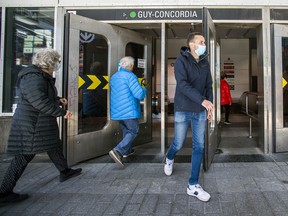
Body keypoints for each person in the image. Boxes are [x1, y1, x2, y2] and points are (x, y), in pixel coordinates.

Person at [0, 48, 82, 205]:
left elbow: (41, 96)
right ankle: (4, 192)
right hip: (32, 124)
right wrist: (61, 112)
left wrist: (57, 99)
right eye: (56, 61)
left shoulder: (40, 76)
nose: (58, 64)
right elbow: (39, 102)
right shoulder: (33, 78)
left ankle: (65, 171)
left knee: (54, 146)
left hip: (40, 122)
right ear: (49, 62)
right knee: (24, 155)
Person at [163, 32, 214, 202]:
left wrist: (210, 105)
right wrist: (202, 101)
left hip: (200, 110)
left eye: (204, 42)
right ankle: (169, 158)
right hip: (183, 109)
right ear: (192, 44)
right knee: (178, 142)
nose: (204, 44)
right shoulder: (181, 61)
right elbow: (183, 84)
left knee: (199, 146)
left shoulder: (205, 63)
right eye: (201, 42)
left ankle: (193, 185)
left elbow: (209, 86)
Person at [109, 56, 146, 167]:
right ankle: (118, 150)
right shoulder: (130, 76)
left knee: (127, 130)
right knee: (134, 130)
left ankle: (126, 151)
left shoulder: (114, 76)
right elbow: (138, 94)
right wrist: (144, 89)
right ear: (130, 65)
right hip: (128, 110)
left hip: (117, 111)